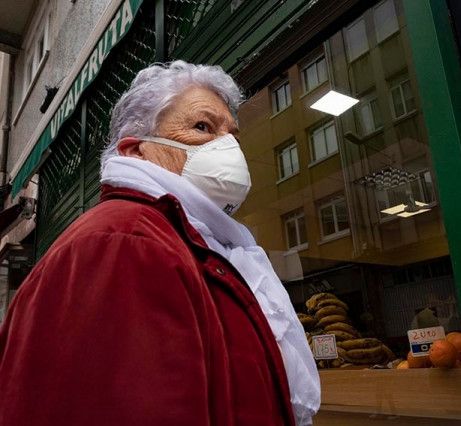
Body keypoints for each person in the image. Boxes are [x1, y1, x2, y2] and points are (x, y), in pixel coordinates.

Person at [0, 61, 320, 425]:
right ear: (136, 151)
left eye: (232, 135)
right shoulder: (125, 243)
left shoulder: (197, 244)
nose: (228, 146)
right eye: (203, 127)